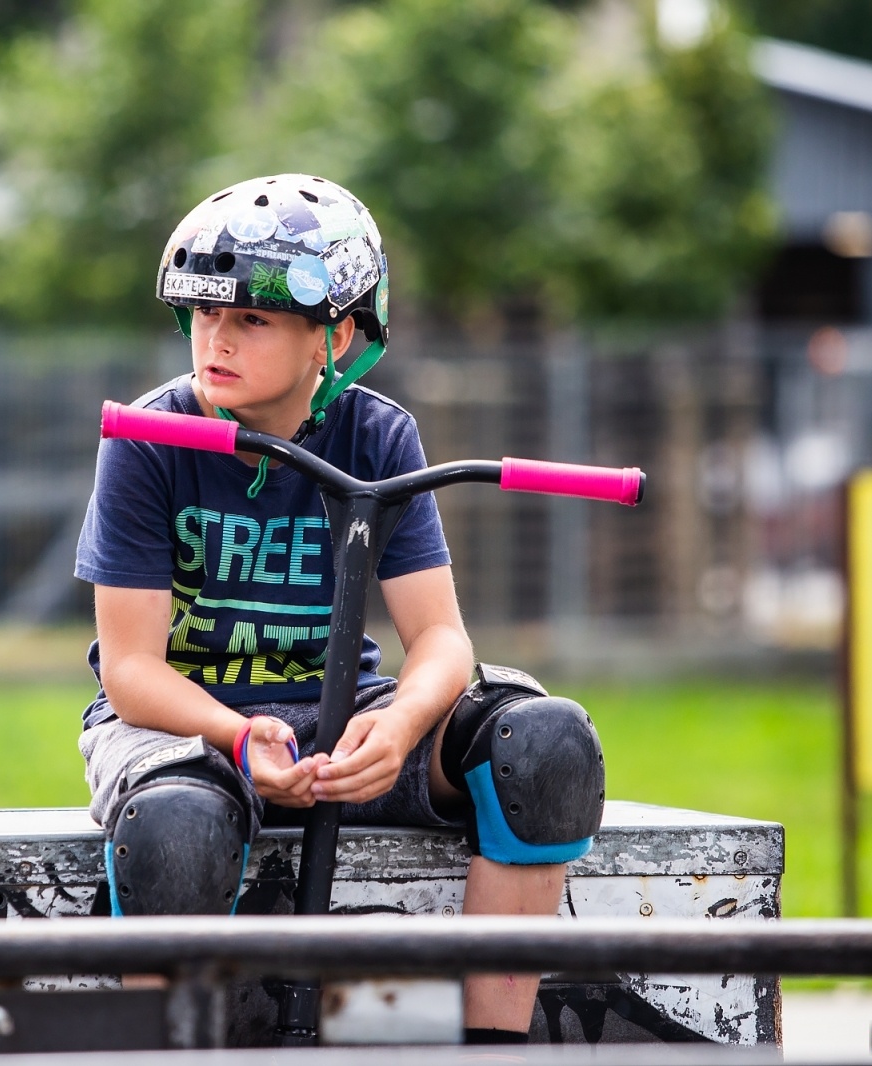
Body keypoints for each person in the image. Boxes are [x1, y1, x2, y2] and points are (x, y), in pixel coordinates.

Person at [75, 174, 605, 1044]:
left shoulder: (378, 437)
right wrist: (239, 740)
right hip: (182, 730)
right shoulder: (149, 438)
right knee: (175, 829)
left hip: (343, 725)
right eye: (206, 315)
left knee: (543, 747)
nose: (217, 338)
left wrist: (397, 727)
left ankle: (496, 1052)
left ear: (338, 333)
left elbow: (439, 639)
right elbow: (131, 672)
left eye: (252, 319)